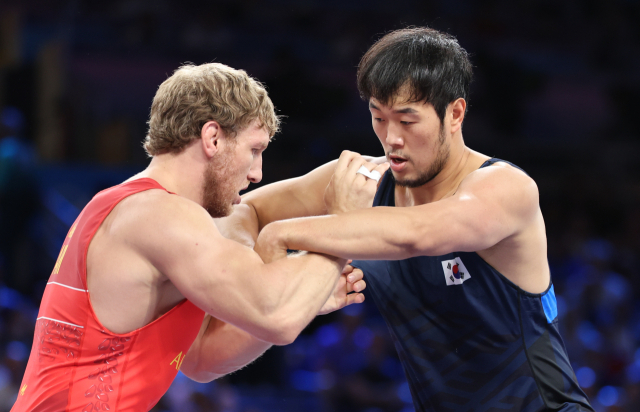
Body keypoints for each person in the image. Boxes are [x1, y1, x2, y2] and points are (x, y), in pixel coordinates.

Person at [226, 28, 594, 411]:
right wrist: (248, 268)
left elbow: (417, 233)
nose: (391, 138)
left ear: (455, 114)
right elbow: (242, 212)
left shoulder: (504, 188)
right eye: (378, 118)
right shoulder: (360, 182)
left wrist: (285, 234)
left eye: (407, 121)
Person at [10, 63, 370, 412]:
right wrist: (341, 222)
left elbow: (200, 359)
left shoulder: (127, 206)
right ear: (212, 137)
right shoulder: (162, 215)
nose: (257, 173)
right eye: (254, 150)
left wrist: (305, 296)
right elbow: (276, 315)